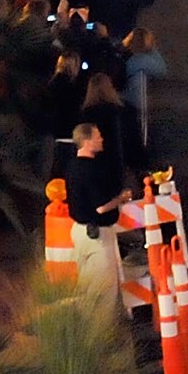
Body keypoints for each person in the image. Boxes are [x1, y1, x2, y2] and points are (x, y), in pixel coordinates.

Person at [65, 121, 130, 313]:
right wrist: (121, 198)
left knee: (87, 288)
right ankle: (101, 333)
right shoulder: (93, 169)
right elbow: (101, 208)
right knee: (103, 292)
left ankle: (87, 328)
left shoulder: (71, 167)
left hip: (78, 231)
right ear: (86, 141)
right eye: (97, 136)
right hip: (97, 236)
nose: (101, 139)